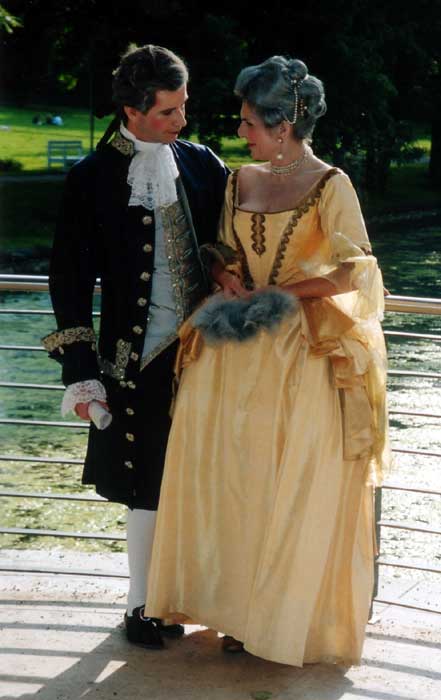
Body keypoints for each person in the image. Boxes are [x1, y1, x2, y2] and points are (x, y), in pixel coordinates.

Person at [145, 55, 390, 666]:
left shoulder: (331, 184)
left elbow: (354, 269)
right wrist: (227, 277)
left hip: (297, 357)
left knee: (282, 485)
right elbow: (221, 250)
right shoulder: (239, 179)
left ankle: (274, 618)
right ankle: (232, 612)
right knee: (231, 484)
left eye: (250, 122)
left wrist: (283, 293)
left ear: (283, 128)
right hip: (229, 354)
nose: (241, 132)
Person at [42, 44, 229, 649]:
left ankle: (192, 599)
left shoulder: (202, 164)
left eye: (183, 106)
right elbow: (69, 281)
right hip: (135, 359)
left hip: (207, 355)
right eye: (169, 111)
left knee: (202, 480)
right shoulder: (92, 178)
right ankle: (141, 605)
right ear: (132, 109)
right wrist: (81, 372)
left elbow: (232, 242)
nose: (182, 120)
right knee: (146, 485)